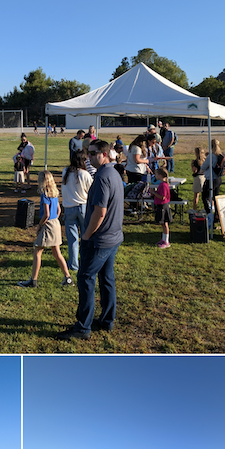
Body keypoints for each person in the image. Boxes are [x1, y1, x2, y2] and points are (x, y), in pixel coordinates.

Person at [56, 139, 124, 340]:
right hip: (113, 237)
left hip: (99, 240)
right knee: (106, 278)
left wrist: (86, 235)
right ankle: (107, 320)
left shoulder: (102, 177)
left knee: (85, 278)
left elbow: (100, 212)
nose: (89, 157)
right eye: (88, 153)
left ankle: (83, 327)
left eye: (94, 154)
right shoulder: (114, 173)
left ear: (105, 155)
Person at [17, 171, 73, 289]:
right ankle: (68, 278)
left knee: (37, 250)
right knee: (56, 252)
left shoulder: (44, 194)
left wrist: (39, 225)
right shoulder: (55, 193)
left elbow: (46, 214)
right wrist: (54, 219)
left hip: (48, 225)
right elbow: (58, 211)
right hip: (56, 223)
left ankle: (33, 280)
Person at [62, 150, 93, 272]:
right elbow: (91, 190)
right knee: (86, 236)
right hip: (83, 207)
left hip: (69, 208)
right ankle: (86, 261)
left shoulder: (65, 172)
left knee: (72, 239)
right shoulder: (85, 174)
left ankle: (74, 264)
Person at [149, 167, 172, 248]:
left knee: (165, 223)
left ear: (160, 175)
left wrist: (154, 192)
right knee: (162, 223)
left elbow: (162, 197)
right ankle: (163, 239)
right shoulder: (162, 184)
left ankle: (166, 241)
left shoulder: (163, 185)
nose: (155, 175)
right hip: (161, 205)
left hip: (163, 206)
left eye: (156, 174)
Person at [201, 139, 224, 214]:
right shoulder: (220, 155)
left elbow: (203, 167)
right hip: (218, 178)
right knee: (216, 197)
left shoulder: (211, 156)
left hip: (211, 179)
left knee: (205, 196)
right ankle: (217, 214)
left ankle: (208, 213)